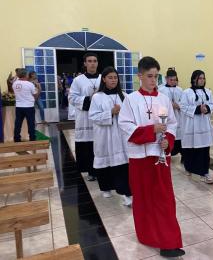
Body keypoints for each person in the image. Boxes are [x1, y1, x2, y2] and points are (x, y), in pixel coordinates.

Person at [118, 56, 184, 258]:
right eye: (149, 76)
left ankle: (168, 240)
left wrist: (169, 140)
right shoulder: (130, 99)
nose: (153, 80)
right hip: (139, 159)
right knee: (144, 199)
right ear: (139, 76)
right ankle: (147, 235)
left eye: (156, 76)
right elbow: (125, 126)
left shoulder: (163, 99)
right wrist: (151, 130)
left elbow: (172, 123)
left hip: (159, 156)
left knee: (164, 198)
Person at [88, 67, 132, 206]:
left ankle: (126, 193)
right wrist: (111, 112)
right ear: (104, 79)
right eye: (110, 77)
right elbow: (93, 116)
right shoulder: (97, 96)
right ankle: (106, 187)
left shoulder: (124, 95)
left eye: (115, 77)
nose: (113, 80)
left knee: (122, 165)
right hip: (105, 136)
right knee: (105, 163)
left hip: (121, 136)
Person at [69, 52, 102, 181]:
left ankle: (101, 170)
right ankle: (91, 171)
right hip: (85, 118)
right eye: (89, 61)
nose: (92, 63)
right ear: (85, 63)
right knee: (88, 146)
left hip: (100, 117)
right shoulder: (78, 80)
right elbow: (72, 97)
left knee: (100, 144)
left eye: (95, 61)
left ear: (97, 63)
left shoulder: (102, 78)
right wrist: (89, 100)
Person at [180, 70, 213, 184]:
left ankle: (204, 173)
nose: (202, 80)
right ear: (194, 79)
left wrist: (207, 108)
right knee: (190, 149)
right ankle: (189, 168)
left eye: (203, 78)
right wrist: (197, 109)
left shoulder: (208, 92)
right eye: (200, 78)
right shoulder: (186, 92)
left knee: (204, 150)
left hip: (204, 125)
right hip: (191, 125)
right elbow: (183, 106)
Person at [158, 68, 183, 156]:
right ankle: (168, 154)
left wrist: (178, 105)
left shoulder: (180, 90)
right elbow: (159, 104)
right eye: (171, 80)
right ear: (166, 79)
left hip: (179, 117)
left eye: (175, 80)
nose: (173, 82)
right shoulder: (161, 90)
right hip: (167, 117)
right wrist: (169, 105)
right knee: (169, 134)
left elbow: (184, 103)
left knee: (179, 138)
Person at [12, 68, 40, 142]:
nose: (28, 75)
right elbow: (36, 96)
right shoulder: (30, 84)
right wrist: (39, 89)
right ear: (25, 75)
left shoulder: (14, 84)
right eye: (27, 74)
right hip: (29, 107)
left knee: (18, 123)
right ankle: (32, 138)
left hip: (18, 107)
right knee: (31, 123)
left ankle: (16, 138)